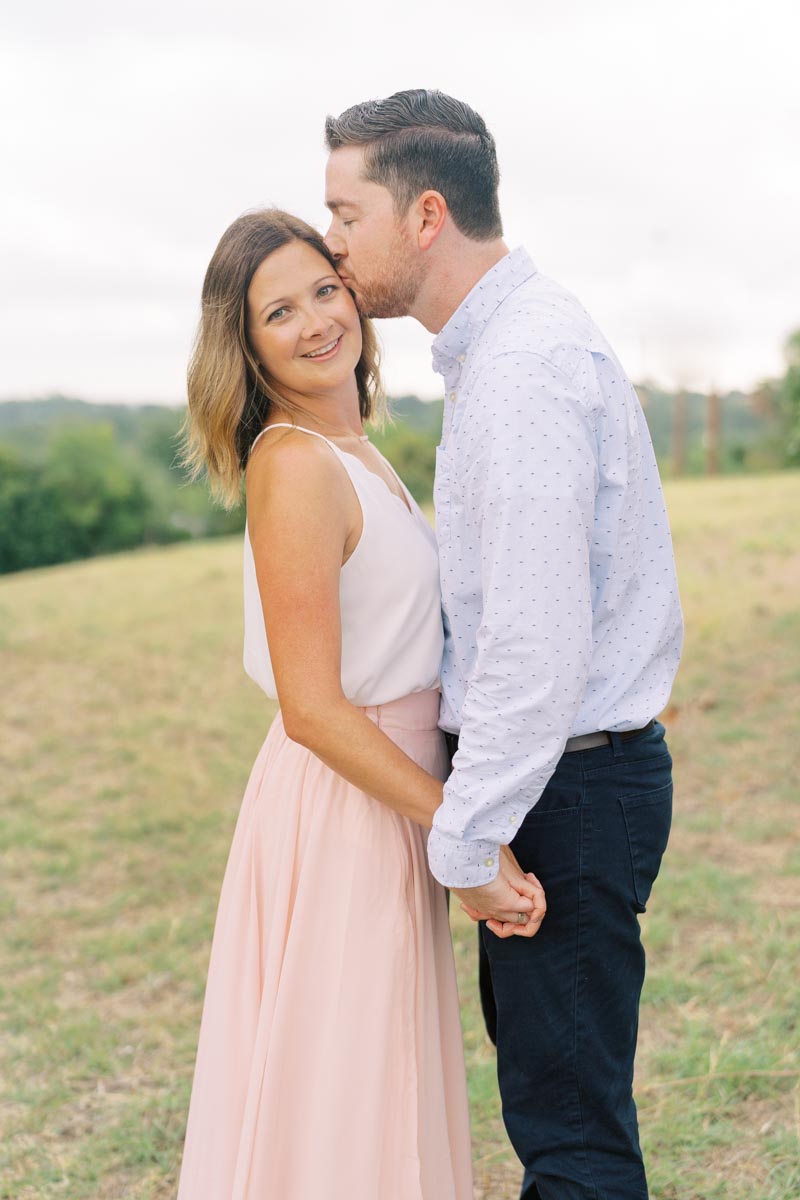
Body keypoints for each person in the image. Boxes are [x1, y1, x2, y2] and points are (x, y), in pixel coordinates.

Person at [323, 89, 684, 1199]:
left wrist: (467, 846)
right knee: (559, 1115)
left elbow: (530, 648)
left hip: (562, 790)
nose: (331, 246)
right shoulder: (503, 352)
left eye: (345, 214)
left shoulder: (522, 371)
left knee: (569, 1145)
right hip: (563, 783)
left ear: (424, 215)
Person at [175, 208, 545, 1200]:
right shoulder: (292, 464)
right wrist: (462, 827)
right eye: (276, 313)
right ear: (244, 347)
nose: (313, 322)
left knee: (375, 1084)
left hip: (385, 796)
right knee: (343, 1096)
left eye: (323, 290)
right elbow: (312, 708)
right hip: (345, 805)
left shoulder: (357, 450)